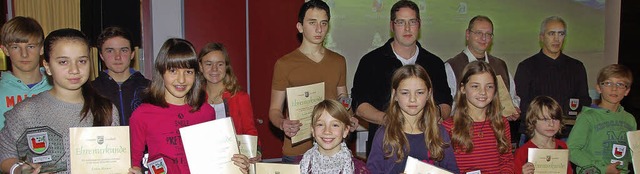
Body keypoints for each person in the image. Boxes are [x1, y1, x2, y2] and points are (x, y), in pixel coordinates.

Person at [0, 28, 119, 173]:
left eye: (82, 61)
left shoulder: (106, 109)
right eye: (63, 62)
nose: (74, 69)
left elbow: (114, 162)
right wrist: (19, 169)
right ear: (48, 66)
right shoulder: (26, 112)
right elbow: (5, 153)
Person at [128, 38, 249, 174]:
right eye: (173, 71)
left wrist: (237, 165)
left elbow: (214, 160)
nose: (181, 79)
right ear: (161, 72)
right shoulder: (142, 115)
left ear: (196, 74)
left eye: (188, 72)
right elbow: (134, 165)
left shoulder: (206, 112)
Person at [351, 0, 452, 156]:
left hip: (427, 148)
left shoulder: (434, 63)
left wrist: (434, 116)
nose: (407, 28)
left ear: (419, 25)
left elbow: (445, 103)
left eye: (412, 22)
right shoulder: (370, 61)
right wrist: (391, 121)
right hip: (385, 149)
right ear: (392, 26)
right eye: (400, 22)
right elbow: (359, 105)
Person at [268, 0, 355, 163]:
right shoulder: (284, 64)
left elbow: (343, 99)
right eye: (312, 23)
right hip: (297, 150)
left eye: (324, 23)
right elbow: (274, 110)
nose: (319, 29)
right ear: (300, 27)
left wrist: (348, 116)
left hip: (332, 147)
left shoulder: (338, 61)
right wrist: (283, 123)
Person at [367, 65, 458, 174]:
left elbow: (453, 171)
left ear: (429, 94)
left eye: (420, 92)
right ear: (395, 95)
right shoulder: (384, 134)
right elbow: (372, 171)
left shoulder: (439, 132)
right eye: (405, 93)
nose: (412, 99)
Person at [515, 16, 591, 142]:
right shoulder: (526, 67)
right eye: (551, 33)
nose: (556, 39)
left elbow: (584, 101)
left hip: (568, 136)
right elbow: (522, 104)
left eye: (561, 34)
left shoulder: (576, 67)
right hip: (534, 137)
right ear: (541, 37)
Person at [442, 61, 514, 173]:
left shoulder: (502, 123)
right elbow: (443, 166)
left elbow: (507, 160)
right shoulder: (448, 126)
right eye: (475, 86)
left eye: (489, 86)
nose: (483, 92)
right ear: (463, 88)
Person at [444, 15, 520, 120]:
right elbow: (449, 106)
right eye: (479, 33)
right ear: (467, 34)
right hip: (464, 130)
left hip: (496, 129)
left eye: (488, 34)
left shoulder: (500, 65)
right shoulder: (451, 66)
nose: (483, 38)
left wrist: (514, 108)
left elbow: (513, 98)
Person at [198, 42, 261, 162]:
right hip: (204, 162)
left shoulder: (240, 97)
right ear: (200, 67)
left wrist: (256, 151)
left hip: (234, 163)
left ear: (226, 67)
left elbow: (250, 131)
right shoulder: (194, 99)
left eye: (220, 64)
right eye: (208, 64)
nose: (214, 69)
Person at [568, 64, 636, 174]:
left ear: (627, 91)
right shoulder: (587, 117)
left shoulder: (630, 119)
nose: (614, 88)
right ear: (599, 88)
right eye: (608, 83)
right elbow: (572, 150)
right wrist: (603, 169)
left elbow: (633, 153)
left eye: (620, 84)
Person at [0, 16, 52, 130]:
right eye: (15, 47)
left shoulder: (58, 85)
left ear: (42, 48)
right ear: (5, 50)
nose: (24, 54)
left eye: (31, 46)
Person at [91, 26, 150, 126]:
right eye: (110, 51)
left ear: (132, 54)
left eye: (123, 50)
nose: (117, 57)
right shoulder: (91, 90)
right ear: (101, 55)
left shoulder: (150, 89)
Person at [299, 99, 368, 174]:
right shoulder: (300, 165)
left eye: (335, 125)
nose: (327, 131)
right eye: (320, 124)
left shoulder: (359, 170)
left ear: (345, 131)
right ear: (312, 130)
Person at [515, 96, 572, 174]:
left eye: (555, 119)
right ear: (533, 121)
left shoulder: (562, 146)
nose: (551, 124)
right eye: (545, 119)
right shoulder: (522, 152)